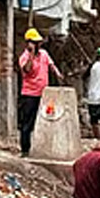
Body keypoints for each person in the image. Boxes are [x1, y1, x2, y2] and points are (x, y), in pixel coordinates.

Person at [17, 28, 64, 157]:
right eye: (35, 42)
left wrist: (57, 73)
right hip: (29, 94)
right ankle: (25, 150)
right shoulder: (24, 57)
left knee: (44, 120)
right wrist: (31, 55)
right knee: (27, 124)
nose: (39, 44)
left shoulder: (44, 54)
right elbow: (27, 70)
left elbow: (51, 65)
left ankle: (42, 147)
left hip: (44, 94)